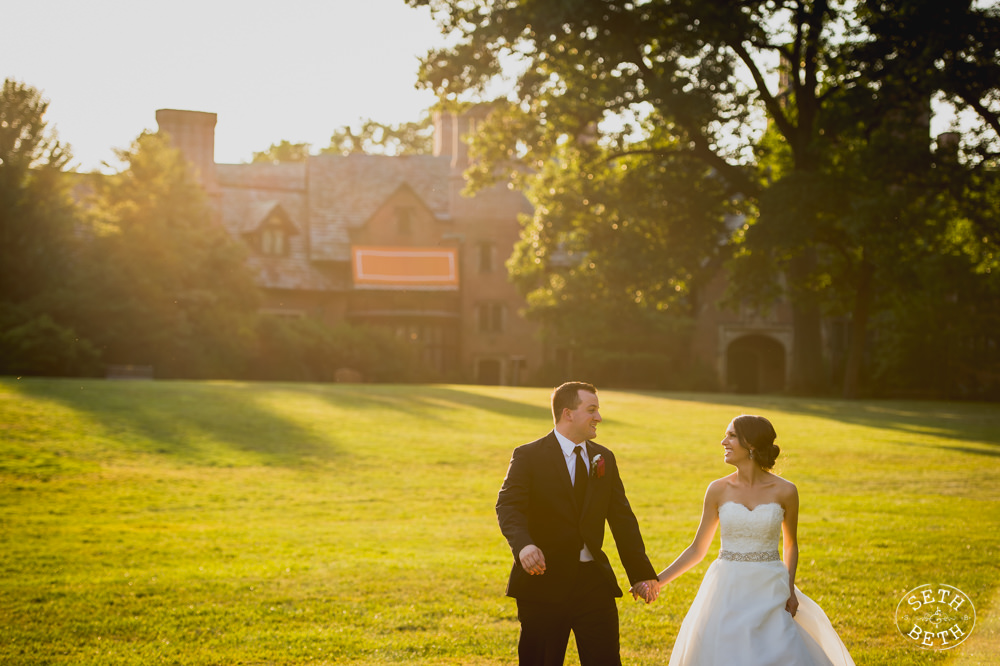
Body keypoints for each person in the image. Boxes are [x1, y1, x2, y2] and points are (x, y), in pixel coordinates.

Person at [633, 415, 855, 666]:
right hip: (727, 587)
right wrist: (657, 581)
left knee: (781, 650)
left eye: (731, 436)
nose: (723, 442)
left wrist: (790, 589)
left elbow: (791, 545)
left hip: (771, 585)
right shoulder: (717, 489)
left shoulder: (786, 491)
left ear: (750, 444)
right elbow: (697, 549)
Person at [496, 381, 660, 666]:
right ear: (567, 413)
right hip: (543, 582)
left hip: (593, 583)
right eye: (592, 410)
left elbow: (622, 519)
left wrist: (641, 573)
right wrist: (523, 547)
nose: (598, 417)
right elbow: (508, 506)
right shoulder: (528, 456)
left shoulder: (603, 457)